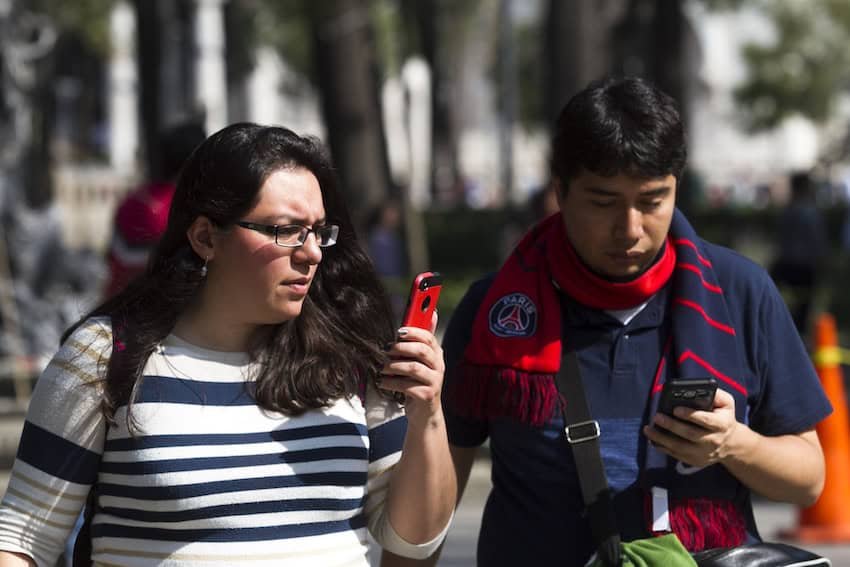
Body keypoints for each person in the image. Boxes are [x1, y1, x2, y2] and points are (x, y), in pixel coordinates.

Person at [0, 123, 455, 566]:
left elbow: (414, 541)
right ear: (204, 238)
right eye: (285, 230)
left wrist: (428, 415)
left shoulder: (348, 355)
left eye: (318, 230)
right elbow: (23, 538)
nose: (312, 251)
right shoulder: (106, 355)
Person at [429, 77, 831, 566]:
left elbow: (808, 479)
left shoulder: (739, 291)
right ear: (561, 191)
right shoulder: (498, 310)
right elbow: (434, 505)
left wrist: (733, 444)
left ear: (676, 188)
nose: (631, 229)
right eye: (604, 203)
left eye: (652, 201)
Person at [103, 121, 207, 298]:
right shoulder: (189, 208)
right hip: (165, 313)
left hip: (118, 304)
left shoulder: (130, 202)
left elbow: (111, 257)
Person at [769, 171, 826, 336]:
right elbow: (817, 242)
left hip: (786, 264)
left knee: (787, 306)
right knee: (802, 308)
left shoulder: (788, 211)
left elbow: (780, 240)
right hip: (804, 267)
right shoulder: (810, 212)